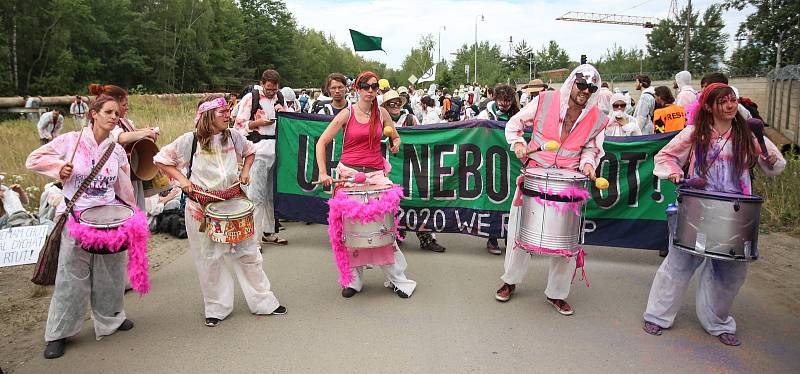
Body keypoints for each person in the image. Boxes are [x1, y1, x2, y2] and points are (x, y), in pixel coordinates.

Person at [642, 83, 785, 346]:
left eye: (733, 100)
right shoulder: (695, 133)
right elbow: (664, 157)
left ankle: (718, 322)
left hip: (735, 211)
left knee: (730, 271)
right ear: (708, 106)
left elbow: (772, 165)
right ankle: (658, 315)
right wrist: (674, 171)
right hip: (698, 205)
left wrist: (769, 157)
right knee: (680, 262)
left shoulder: (746, 134)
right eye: (723, 101)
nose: (730, 106)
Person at [154, 94, 286, 327]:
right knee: (209, 258)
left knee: (248, 254)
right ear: (207, 115)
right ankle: (216, 307)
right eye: (222, 112)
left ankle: (263, 301)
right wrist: (182, 181)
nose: (228, 115)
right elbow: (161, 159)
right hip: (201, 210)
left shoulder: (234, 136)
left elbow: (250, 151)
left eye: (228, 111)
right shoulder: (189, 141)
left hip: (234, 204)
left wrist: (245, 172)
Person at [27, 94, 140, 359]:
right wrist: (59, 169)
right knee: (70, 278)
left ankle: (111, 318)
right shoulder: (71, 141)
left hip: (109, 221)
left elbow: (123, 185)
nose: (114, 117)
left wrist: (131, 218)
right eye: (109, 112)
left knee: (111, 274)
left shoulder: (117, 150)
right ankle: (59, 333)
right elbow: (33, 159)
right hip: (76, 219)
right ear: (94, 113)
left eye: (116, 113)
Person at [496, 64, 608, 316]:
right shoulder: (545, 101)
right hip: (535, 174)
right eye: (582, 85)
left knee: (566, 240)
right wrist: (517, 144)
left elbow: (591, 148)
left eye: (591, 87)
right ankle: (510, 280)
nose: (585, 91)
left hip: (568, 182)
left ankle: (557, 293)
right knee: (519, 231)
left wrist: (589, 164)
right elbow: (515, 123)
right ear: (572, 82)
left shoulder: (597, 117)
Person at [315, 71, 417, 299]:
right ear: (357, 89)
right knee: (351, 233)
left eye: (374, 87)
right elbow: (321, 142)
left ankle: (398, 280)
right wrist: (323, 172)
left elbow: (396, 137)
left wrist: (396, 144)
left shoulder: (381, 114)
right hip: (349, 177)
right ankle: (354, 281)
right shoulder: (346, 114)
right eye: (366, 87)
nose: (371, 91)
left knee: (384, 230)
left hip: (376, 177)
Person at [382, 90, 446, 253]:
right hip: (389, 168)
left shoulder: (410, 118)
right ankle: (397, 234)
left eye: (397, 102)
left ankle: (426, 239)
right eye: (391, 103)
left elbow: (422, 138)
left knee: (417, 200)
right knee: (391, 202)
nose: (395, 105)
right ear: (385, 106)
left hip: (411, 166)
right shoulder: (381, 121)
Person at [234, 69, 288, 246]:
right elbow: (239, 124)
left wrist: (283, 113)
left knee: (271, 195)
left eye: (274, 89)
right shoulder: (251, 98)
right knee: (256, 195)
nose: (271, 92)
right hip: (258, 150)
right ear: (262, 84)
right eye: (268, 89)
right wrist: (258, 123)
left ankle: (269, 231)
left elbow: (289, 124)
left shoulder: (280, 98)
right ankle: (253, 239)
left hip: (275, 150)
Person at [89, 84, 159, 212]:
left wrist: (146, 130)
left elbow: (130, 131)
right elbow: (121, 137)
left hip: (129, 172)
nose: (126, 108)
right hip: (112, 175)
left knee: (134, 205)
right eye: (124, 105)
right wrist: (146, 133)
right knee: (122, 208)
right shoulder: (105, 123)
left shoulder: (123, 120)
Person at [476, 84, 521, 254]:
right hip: (490, 162)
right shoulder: (485, 114)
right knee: (492, 199)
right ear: (495, 98)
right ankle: (492, 238)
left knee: (512, 201)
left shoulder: (518, 115)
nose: (504, 103)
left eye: (508, 100)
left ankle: (511, 238)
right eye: (501, 100)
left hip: (511, 163)